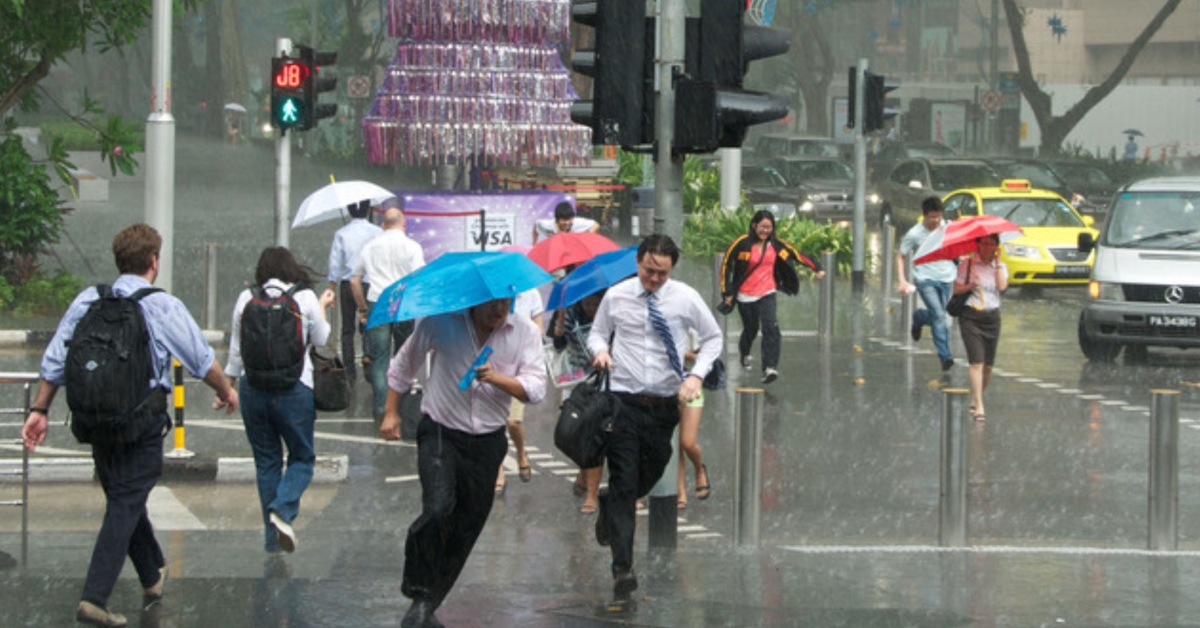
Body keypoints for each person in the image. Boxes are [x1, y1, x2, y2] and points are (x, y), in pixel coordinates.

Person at [21, 223, 239, 627]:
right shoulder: (160, 305)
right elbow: (200, 358)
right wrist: (226, 390)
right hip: (139, 421)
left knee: (124, 494)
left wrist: (40, 410)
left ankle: (152, 570)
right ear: (153, 261)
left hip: (94, 420)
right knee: (126, 500)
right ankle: (94, 597)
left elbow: (55, 360)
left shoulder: (89, 299)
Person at [379, 297, 546, 628]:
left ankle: (426, 606)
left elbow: (536, 388)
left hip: (487, 442)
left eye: (505, 304)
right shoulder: (441, 322)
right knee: (438, 509)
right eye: (491, 305)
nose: (498, 312)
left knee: (466, 527)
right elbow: (403, 365)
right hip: (441, 431)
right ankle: (419, 587)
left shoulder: (524, 332)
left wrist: (496, 378)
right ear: (475, 300)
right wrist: (390, 412)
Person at [587, 234, 722, 604]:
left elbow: (713, 338)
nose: (654, 279)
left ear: (671, 269)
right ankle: (622, 569)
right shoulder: (617, 296)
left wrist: (696, 376)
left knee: (652, 468)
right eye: (649, 270)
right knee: (626, 480)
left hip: (665, 404)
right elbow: (598, 333)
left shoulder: (685, 298)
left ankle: (609, 505)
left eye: (662, 273)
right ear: (639, 263)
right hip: (624, 401)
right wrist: (600, 352)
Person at [225, 247, 335, 556]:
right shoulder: (304, 297)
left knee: (267, 462)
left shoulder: (247, 298)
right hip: (294, 389)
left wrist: (226, 388)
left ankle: (272, 541)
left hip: (253, 389)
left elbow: (236, 348)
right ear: (291, 268)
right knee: (301, 458)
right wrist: (323, 308)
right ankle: (283, 511)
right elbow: (322, 339)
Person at [720, 210, 824, 384]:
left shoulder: (777, 245)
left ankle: (770, 367)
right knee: (751, 330)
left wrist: (817, 267)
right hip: (746, 295)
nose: (765, 231)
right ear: (754, 225)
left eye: (769, 227)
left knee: (771, 327)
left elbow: (797, 255)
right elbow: (726, 265)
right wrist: (727, 292)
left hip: (767, 292)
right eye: (762, 227)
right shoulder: (742, 243)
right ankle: (744, 352)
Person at [351, 207, 425, 419]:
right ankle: (400, 409)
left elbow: (355, 280)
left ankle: (381, 409)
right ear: (404, 224)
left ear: (383, 225)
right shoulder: (413, 247)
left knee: (379, 359)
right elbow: (419, 278)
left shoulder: (370, 247)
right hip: (403, 303)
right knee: (404, 356)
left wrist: (363, 309)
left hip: (378, 303)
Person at [550, 290, 605, 514]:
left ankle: (592, 494)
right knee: (571, 433)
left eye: (595, 302)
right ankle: (584, 469)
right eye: (587, 302)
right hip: (577, 381)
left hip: (604, 383)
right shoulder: (571, 313)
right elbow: (558, 344)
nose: (591, 307)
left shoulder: (611, 314)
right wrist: (561, 319)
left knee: (596, 435)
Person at [896, 197, 957, 372]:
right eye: (932, 217)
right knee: (939, 316)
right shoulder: (914, 234)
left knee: (939, 316)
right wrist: (902, 279)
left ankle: (919, 318)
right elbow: (900, 256)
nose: (936, 221)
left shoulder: (946, 227)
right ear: (924, 216)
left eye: (939, 217)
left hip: (946, 277)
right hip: (925, 279)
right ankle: (945, 356)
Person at [495, 288, 544, 495]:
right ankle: (499, 473)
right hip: (495, 364)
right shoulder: (494, 297)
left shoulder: (531, 294)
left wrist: (523, 335)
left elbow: (539, 327)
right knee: (494, 425)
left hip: (518, 370)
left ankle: (521, 452)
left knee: (513, 422)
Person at [327, 199, 382, 381]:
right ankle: (368, 354)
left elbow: (335, 263)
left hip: (347, 282)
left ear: (349, 211)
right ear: (368, 210)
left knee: (347, 329)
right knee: (370, 323)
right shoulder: (377, 232)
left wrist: (331, 287)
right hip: (370, 282)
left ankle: (349, 371)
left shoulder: (341, 233)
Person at [954, 234, 1008, 421]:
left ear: (996, 247)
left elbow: (1002, 286)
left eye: (992, 244)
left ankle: (975, 398)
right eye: (984, 243)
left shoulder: (1000, 267)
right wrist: (969, 286)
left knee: (988, 367)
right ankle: (980, 405)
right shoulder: (967, 265)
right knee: (976, 362)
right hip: (971, 317)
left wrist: (998, 263)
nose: (987, 247)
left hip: (992, 318)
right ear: (977, 244)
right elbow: (956, 289)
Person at [676, 329, 711, 510]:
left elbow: (704, 358)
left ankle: (699, 468)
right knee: (673, 446)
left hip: (690, 385)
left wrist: (684, 354)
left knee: (687, 442)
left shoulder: (692, 327)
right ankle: (679, 490)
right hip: (664, 386)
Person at [532, 201, 600, 243]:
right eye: (564, 220)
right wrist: (534, 243)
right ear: (557, 220)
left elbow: (596, 225)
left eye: (569, 219)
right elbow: (536, 225)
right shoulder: (548, 225)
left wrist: (586, 237)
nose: (567, 223)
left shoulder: (576, 222)